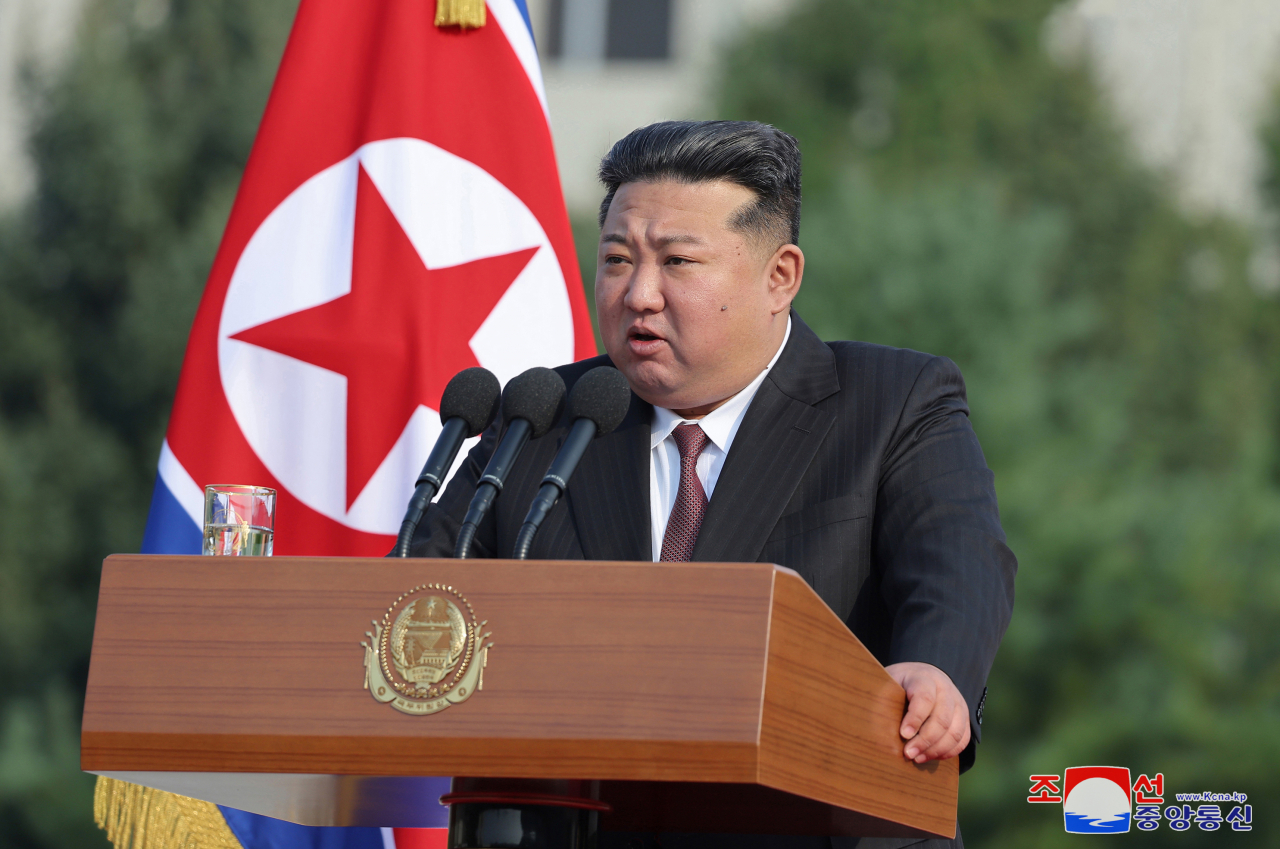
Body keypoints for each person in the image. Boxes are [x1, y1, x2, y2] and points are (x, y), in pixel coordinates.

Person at [409, 120, 1016, 848]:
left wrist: (937, 666)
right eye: (616, 259)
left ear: (779, 276)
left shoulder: (892, 401)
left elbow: (960, 561)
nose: (638, 294)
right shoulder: (542, 418)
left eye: (677, 262)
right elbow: (417, 600)